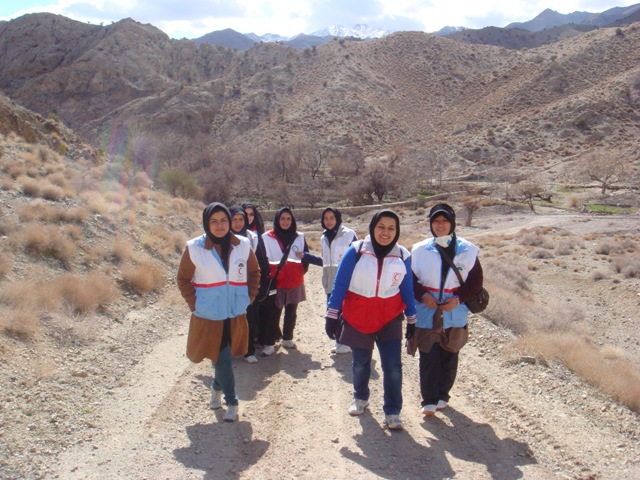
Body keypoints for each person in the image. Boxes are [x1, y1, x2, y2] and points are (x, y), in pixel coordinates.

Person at [325, 210, 416, 431]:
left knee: (393, 366)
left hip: (389, 318)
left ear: (397, 231)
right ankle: (360, 398)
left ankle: (392, 411)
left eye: (391, 228)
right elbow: (340, 284)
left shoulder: (402, 255)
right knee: (361, 363)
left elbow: (407, 289)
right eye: (381, 227)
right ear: (372, 228)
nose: (385, 232)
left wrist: (412, 319)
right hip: (359, 317)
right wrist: (332, 315)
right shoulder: (356, 251)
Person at [176, 202, 260, 422]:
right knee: (222, 358)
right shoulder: (194, 248)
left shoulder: (243, 245)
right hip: (209, 315)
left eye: (223, 220)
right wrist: (195, 304)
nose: (219, 225)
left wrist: (248, 298)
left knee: (223, 356)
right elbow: (183, 279)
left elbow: (254, 273)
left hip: (235, 312)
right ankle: (232, 401)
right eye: (214, 221)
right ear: (206, 223)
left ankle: (215, 389)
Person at [410, 203, 484, 417]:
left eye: (444, 221)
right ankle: (429, 400)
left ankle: (443, 395)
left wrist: (458, 299)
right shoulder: (419, 250)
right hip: (427, 311)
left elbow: (476, 281)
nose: (440, 225)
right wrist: (423, 296)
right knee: (428, 354)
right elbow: (410, 279)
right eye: (436, 221)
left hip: (454, 312)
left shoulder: (468, 251)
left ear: (452, 223)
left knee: (450, 355)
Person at [297, 207, 358, 354]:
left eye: (332, 218)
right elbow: (325, 261)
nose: (329, 221)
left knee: (346, 312)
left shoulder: (349, 235)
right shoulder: (323, 237)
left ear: (338, 218)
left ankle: (348, 342)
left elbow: (357, 258)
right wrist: (306, 256)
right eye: (326, 218)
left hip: (346, 282)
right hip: (330, 283)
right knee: (333, 312)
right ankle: (339, 342)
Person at [258, 207, 309, 355]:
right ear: (277, 220)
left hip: (294, 282)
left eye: (288, 219)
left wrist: (300, 272)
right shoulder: (266, 237)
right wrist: (268, 275)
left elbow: (306, 257)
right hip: (276, 282)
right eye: (282, 218)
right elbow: (260, 258)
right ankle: (269, 343)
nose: (285, 222)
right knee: (273, 313)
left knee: (291, 312)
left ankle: (288, 338)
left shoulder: (299, 237)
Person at [229, 205, 262, 363]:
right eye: (234, 219)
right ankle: (226, 350)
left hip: (246, 284)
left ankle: (248, 351)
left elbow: (258, 261)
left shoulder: (251, 238)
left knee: (248, 317)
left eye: (241, 219)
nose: (238, 223)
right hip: (227, 285)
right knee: (227, 318)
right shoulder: (223, 237)